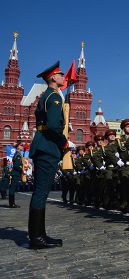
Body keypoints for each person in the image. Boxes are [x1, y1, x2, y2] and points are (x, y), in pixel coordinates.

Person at [28, 61, 67, 249]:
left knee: (41, 192)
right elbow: (53, 126)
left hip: (43, 144)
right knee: (41, 192)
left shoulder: (47, 95)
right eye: (60, 74)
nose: (63, 77)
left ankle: (40, 234)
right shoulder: (54, 97)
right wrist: (63, 142)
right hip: (47, 146)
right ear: (53, 77)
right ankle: (36, 238)